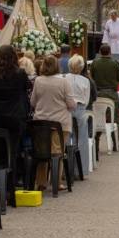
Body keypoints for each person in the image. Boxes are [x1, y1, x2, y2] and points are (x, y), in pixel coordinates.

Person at [0, 45, 31, 189]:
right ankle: (10, 186)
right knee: (13, 152)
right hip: (14, 117)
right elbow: (26, 88)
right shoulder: (20, 73)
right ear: (14, 57)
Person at [31, 55, 76, 190]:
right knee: (58, 153)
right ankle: (56, 181)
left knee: (42, 152)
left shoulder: (38, 81)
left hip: (41, 123)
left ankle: (41, 182)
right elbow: (71, 104)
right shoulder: (64, 82)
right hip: (60, 124)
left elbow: (33, 102)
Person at [90, 44, 119, 149]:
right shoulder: (115, 63)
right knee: (114, 119)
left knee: (99, 118)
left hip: (98, 94)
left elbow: (92, 77)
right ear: (110, 52)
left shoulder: (95, 63)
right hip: (112, 94)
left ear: (100, 52)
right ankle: (115, 144)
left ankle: (96, 142)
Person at [66, 55, 93, 174]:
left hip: (66, 109)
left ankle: (67, 170)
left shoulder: (64, 78)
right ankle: (81, 170)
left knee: (67, 137)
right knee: (82, 139)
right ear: (81, 67)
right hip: (81, 108)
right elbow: (87, 100)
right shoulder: (86, 80)